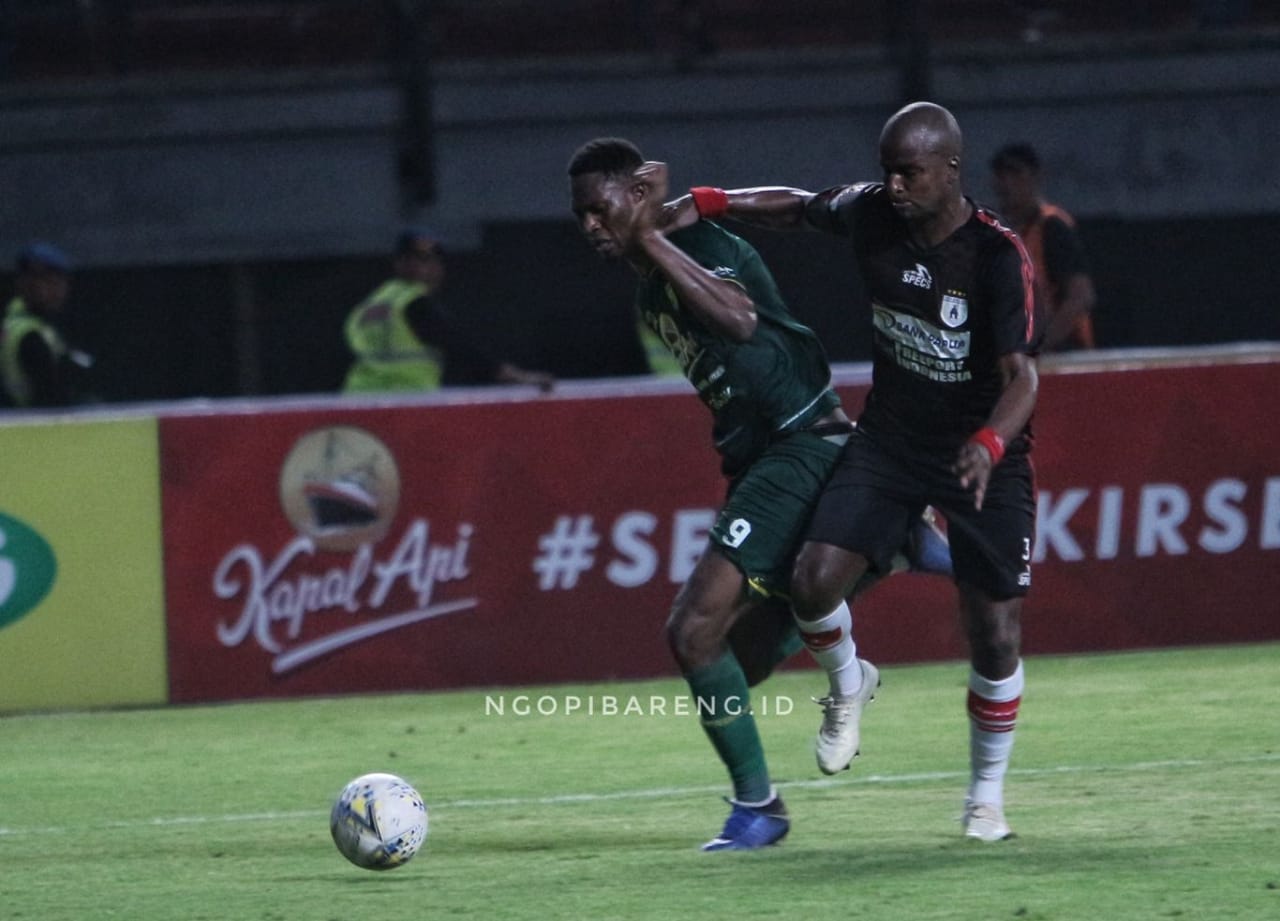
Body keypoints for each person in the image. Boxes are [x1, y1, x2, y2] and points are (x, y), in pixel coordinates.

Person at [567, 137, 951, 852]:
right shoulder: (650, 273)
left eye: (601, 207)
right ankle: (883, 549)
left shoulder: (688, 244)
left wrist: (653, 233)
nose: (590, 224)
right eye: (579, 215)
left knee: (691, 627)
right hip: (762, 459)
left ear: (635, 195)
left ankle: (759, 809)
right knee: (732, 665)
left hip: (801, 441)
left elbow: (738, 319)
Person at [671, 101, 1040, 842]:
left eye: (909, 172)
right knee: (811, 579)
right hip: (890, 443)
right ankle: (849, 682)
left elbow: (1022, 378)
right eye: (887, 171)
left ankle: (985, 797)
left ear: (950, 170)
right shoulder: (874, 213)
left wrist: (990, 447)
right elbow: (798, 208)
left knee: (993, 634)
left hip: (981, 455)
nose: (894, 185)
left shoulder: (998, 259)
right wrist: (711, 201)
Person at [341, 227, 554, 393]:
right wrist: (514, 376)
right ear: (400, 263)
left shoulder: (370, 306)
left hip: (359, 402)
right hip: (406, 403)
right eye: (422, 260)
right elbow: (458, 347)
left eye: (436, 260)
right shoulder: (413, 302)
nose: (432, 268)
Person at [990, 141, 1097, 352]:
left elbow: (1080, 296)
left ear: (1036, 177)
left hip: (1063, 357)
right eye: (1001, 175)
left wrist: (1038, 347)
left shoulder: (1052, 227)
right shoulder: (998, 234)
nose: (1007, 183)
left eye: (1015, 174)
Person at [1, 242, 94, 408]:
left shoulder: (19, 324)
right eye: (49, 282)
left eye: (58, 283)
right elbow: (51, 397)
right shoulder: (30, 334)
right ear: (23, 284)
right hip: (34, 424)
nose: (57, 291)